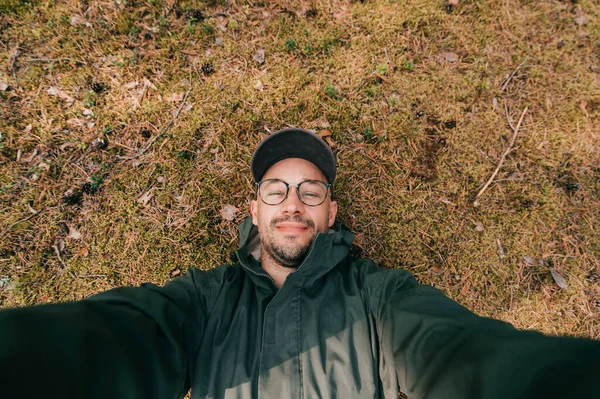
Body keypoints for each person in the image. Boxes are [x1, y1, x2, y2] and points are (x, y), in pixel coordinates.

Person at [0, 128, 599, 399]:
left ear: (330, 212)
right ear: (254, 212)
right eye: (277, 191)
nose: (293, 203)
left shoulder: (380, 297)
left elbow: (462, 354)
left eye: (310, 192)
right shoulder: (203, 302)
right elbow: (115, 342)